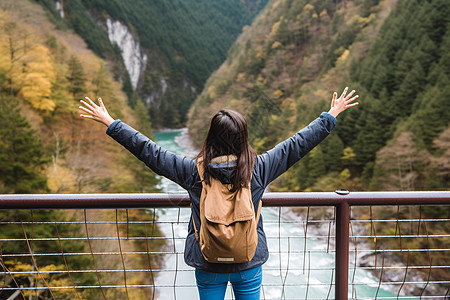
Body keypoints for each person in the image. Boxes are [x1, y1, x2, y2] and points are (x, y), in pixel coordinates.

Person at [79, 87, 359, 300]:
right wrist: (330, 115)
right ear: (243, 137)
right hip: (248, 261)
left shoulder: (193, 172)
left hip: (208, 261)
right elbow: (297, 145)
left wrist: (112, 123)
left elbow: (150, 152)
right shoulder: (259, 169)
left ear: (211, 137)